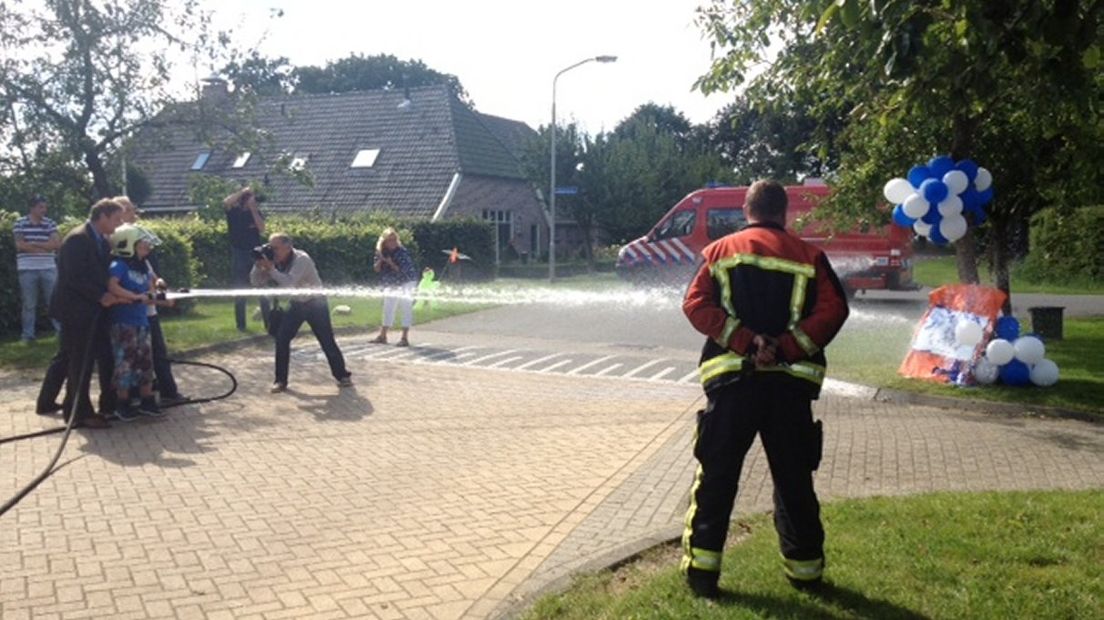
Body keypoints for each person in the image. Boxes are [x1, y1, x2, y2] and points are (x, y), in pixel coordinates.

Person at [679, 180, 850, 597]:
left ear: (746, 209)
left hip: (733, 384)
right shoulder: (811, 256)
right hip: (789, 389)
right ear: (784, 211)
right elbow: (834, 310)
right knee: (794, 481)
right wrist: (786, 348)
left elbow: (696, 304)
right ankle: (806, 572)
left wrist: (746, 341)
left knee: (717, 477)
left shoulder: (719, 252)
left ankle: (702, 574)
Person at [37, 199, 126, 428]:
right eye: (116, 219)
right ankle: (78, 412)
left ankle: (98, 405)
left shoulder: (103, 242)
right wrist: (100, 296)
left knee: (91, 358)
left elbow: (101, 273)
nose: (118, 225)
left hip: (93, 312)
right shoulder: (78, 239)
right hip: (75, 310)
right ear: (103, 216)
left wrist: (114, 291)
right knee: (80, 362)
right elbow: (74, 277)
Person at [250, 233, 353, 393]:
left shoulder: (301, 259)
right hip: (297, 304)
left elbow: (289, 283)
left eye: (275, 248)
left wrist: (271, 269)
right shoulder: (274, 261)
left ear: (288, 246)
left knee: (326, 340)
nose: (272, 251)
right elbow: (256, 282)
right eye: (270, 247)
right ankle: (280, 381)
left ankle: (342, 375)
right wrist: (258, 266)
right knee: (282, 339)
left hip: (315, 303)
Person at [115, 196, 187, 405]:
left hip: (147, 316)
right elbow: (134, 292)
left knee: (155, 356)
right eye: (128, 209)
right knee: (131, 360)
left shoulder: (141, 258)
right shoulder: (122, 261)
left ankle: (164, 393)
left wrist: (163, 290)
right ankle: (130, 399)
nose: (134, 213)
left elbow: (153, 278)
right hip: (132, 318)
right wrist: (160, 300)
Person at [105, 224, 163, 421]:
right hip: (123, 323)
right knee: (125, 363)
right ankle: (122, 404)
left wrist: (160, 296)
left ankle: (147, 400)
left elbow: (149, 290)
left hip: (142, 321)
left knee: (146, 362)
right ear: (130, 244)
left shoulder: (142, 267)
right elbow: (112, 286)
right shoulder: (119, 265)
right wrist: (132, 296)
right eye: (142, 242)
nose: (147, 246)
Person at [14, 195, 61, 342]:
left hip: (48, 267)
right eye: (41, 207)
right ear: (32, 208)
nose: (44, 210)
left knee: (54, 300)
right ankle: (28, 335)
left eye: (45, 207)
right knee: (29, 304)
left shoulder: (50, 223)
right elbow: (20, 245)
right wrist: (44, 246)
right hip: (27, 268)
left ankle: (61, 331)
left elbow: (56, 244)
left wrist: (33, 244)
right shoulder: (20, 223)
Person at [224, 186, 269, 332]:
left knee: (262, 288)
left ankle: (268, 323)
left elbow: (262, 228)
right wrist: (243, 192)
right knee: (240, 289)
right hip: (239, 252)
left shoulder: (255, 213)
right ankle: (241, 326)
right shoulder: (234, 212)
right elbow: (226, 202)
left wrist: (254, 209)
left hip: (256, 253)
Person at [370, 227, 418, 347]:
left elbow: (402, 271)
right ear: (385, 241)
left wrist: (391, 263)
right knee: (388, 306)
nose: (393, 243)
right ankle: (383, 335)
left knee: (405, 306)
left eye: (394, 240)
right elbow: (376, 269)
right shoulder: (381, 251)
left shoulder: (401, 252)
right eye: (390, 240)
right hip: (391, 282)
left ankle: (404, 337)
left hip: (406, 281)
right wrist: (381, 260)